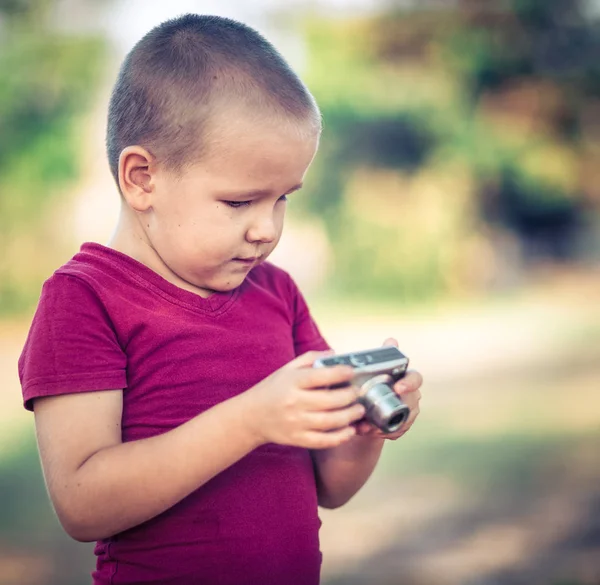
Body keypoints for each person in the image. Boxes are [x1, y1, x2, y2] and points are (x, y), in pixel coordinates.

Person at [18, 13, 422, 585]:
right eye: (240, 203)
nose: (267, 229)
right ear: (142, 178)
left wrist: (364, 426)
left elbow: (332, 487)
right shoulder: (85, 300)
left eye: (283, 198)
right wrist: (253, 419)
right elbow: (82, 503)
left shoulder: (276, 291)